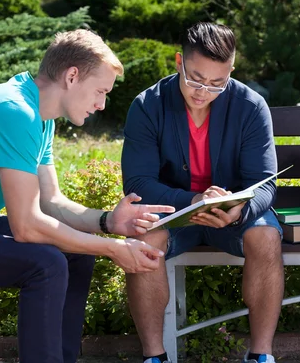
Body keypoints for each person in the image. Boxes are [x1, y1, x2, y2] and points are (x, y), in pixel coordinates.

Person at [0, 29, 175, 363]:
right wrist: (114, 248)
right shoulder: (13, 111)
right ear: (72, 76)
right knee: (46, 262)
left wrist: (107, 222)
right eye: (100, 91)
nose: (102, 104)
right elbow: (26, 227)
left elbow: (50, 202)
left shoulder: (39, 118)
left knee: (74, 252)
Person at [121, 22, 283, 363]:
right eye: (195, 78)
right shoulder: (147, 105)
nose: (203, 92)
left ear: (231, 72)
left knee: (266, 237)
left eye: (216, 84)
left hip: (234, 216)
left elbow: (265, 183)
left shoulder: (251, 106)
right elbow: (137, 183)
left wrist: (240, 209)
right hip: (173, 216)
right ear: (179, 61)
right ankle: (154, 357)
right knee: (144, 240)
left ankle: (261, 355)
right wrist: (193, 201)